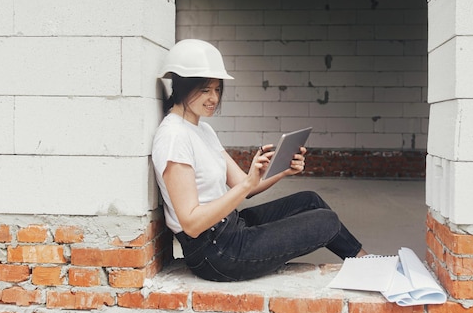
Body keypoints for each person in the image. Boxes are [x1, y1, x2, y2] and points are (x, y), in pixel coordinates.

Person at [152, 39, 367, 282]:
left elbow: (247, 186)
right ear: (182, 86)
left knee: (310, 201)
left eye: (217, 89)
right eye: (204, 90)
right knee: (326, 221)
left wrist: (283, 170)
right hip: (215, 253)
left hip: (231, 226)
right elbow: (191, 223)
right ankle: (369, 266)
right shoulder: (174, 137)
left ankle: (365, 263)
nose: (214, 98)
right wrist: (246, 185)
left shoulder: (203, 130)